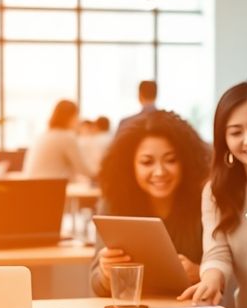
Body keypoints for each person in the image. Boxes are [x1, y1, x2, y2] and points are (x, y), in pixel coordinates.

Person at [177, 82, 247, 308]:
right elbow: (217, 251)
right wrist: (210, 279)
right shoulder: (216, 191)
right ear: (224, 140)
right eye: (236, 132)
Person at [89, 111, 211, 297]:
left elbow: (226, 273)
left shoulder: (205, 200)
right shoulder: (114, 202)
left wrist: (202, 272)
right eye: (147, 162)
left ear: (185, 161)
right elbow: (95, 285)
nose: (160, 172)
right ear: (130, 166)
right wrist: (106, 274)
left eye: (171, 160)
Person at [24, 99, 95, 181]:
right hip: (50, 188)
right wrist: (101, 174)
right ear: (70, 117)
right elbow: (83, 169)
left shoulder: (43, 135)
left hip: (32, 187)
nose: (78, 120)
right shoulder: (66, 137)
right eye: (76, 116)